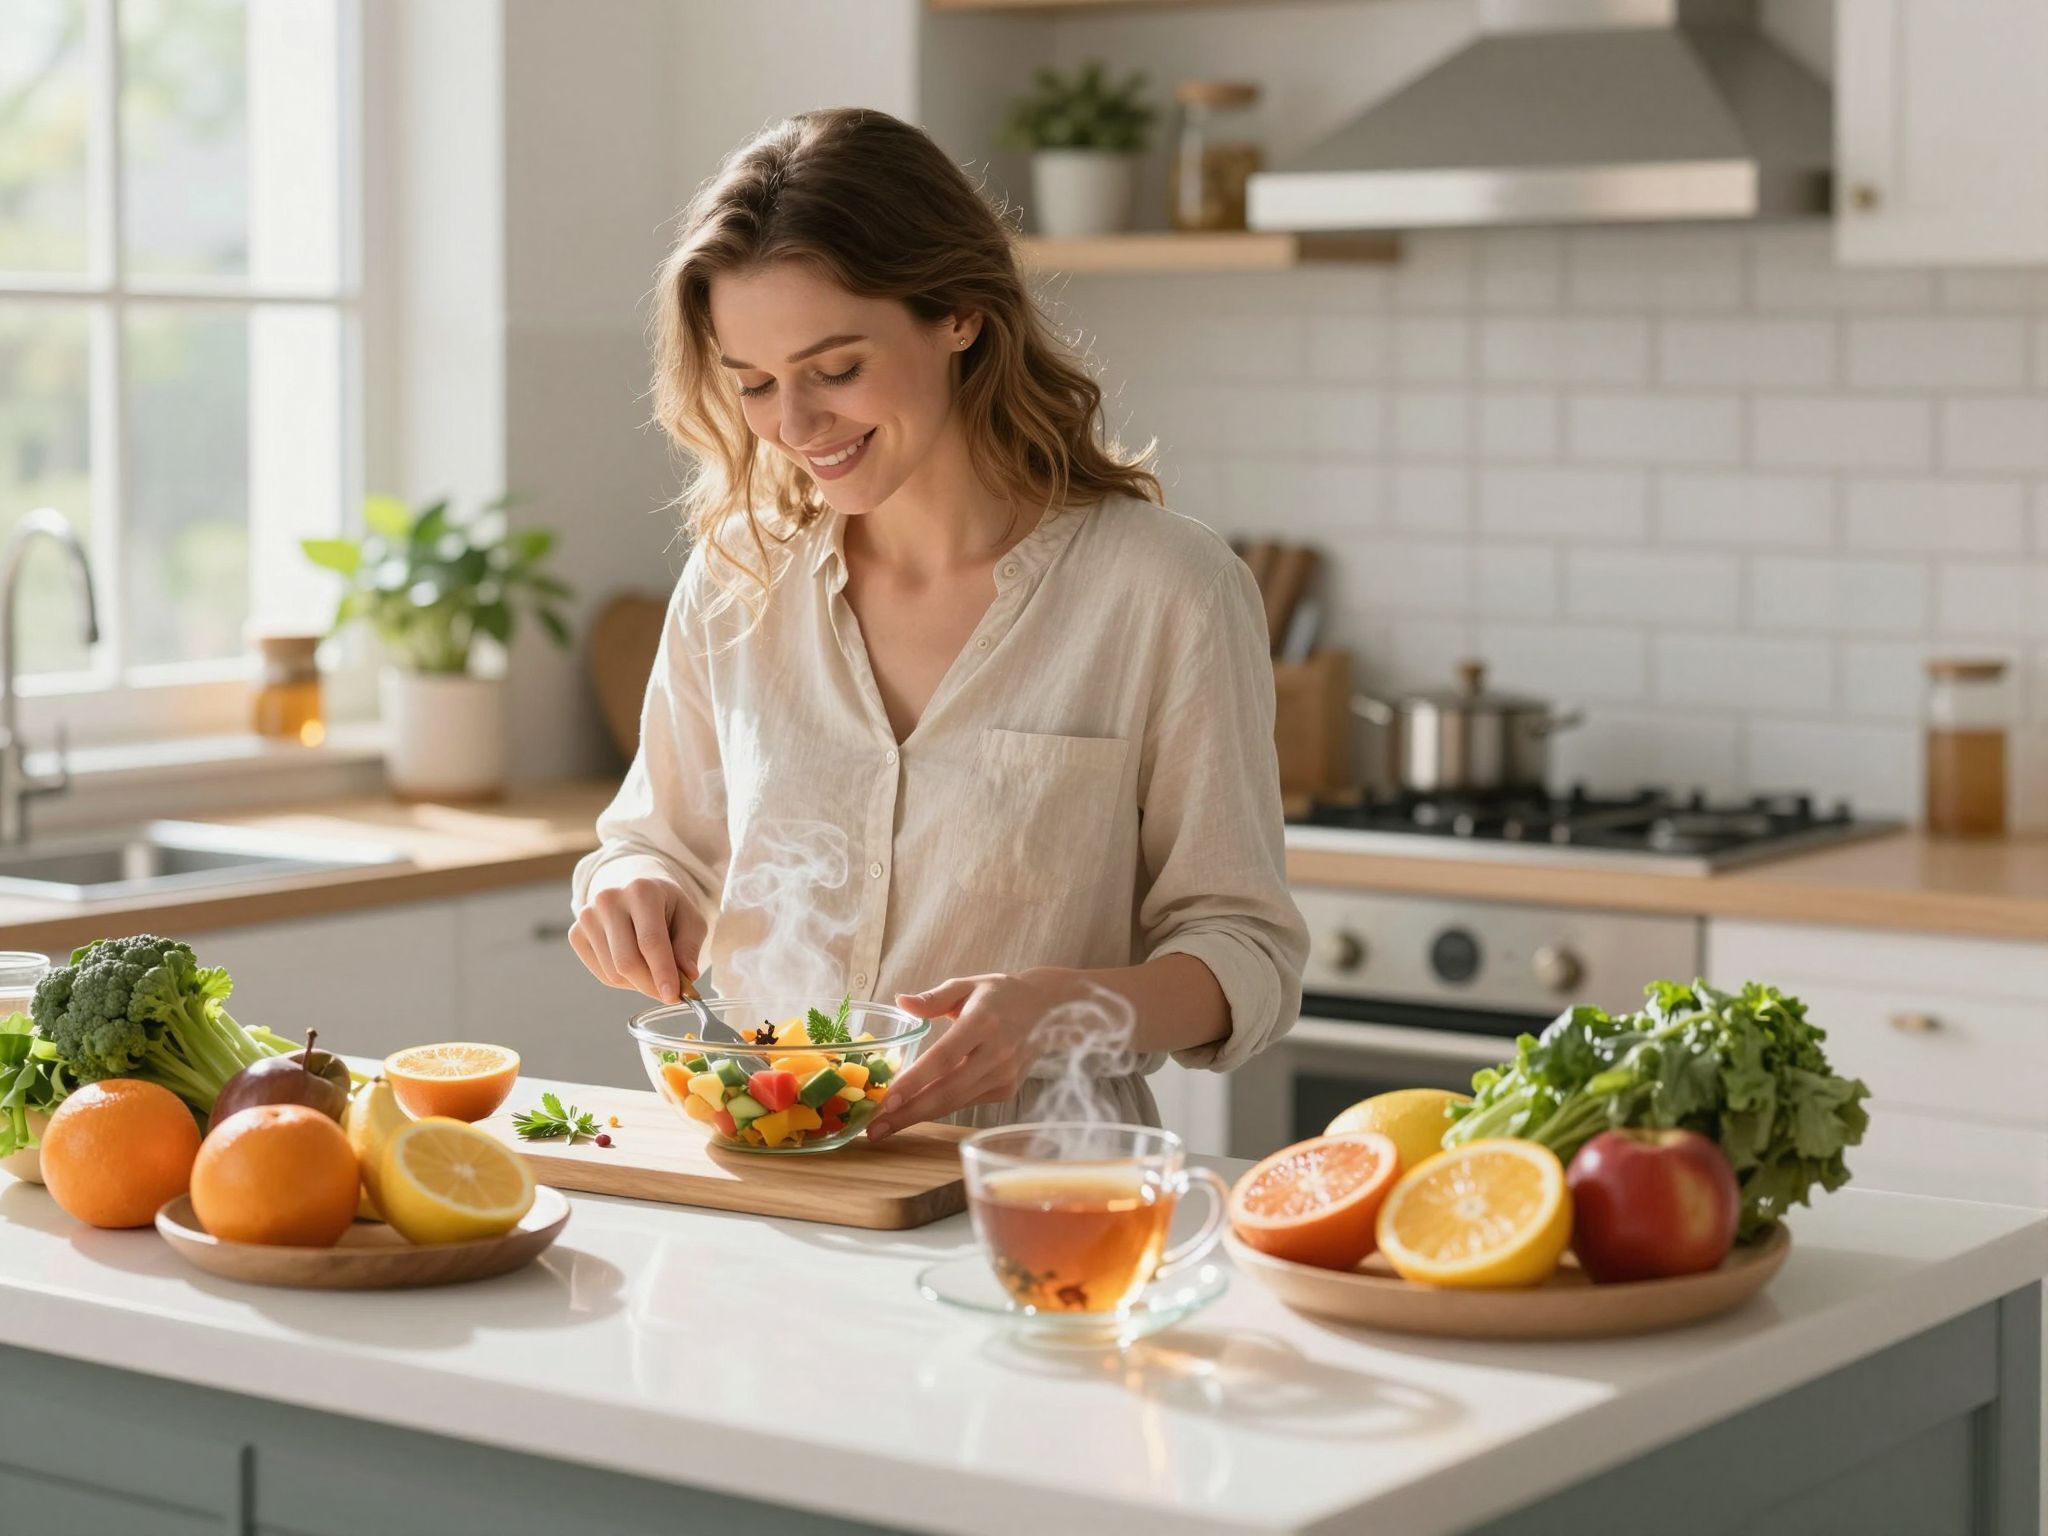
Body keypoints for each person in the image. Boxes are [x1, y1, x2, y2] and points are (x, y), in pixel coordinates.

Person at [569, 107, 1306, 1139]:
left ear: (958, 312)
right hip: (769, 1187)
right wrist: (629, 884)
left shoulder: (1162, 591)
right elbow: (657, 844)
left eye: (834, 369)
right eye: (753, 385)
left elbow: (1245, 952)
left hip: (1032, 1198)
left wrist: (1058, 1013)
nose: (793, 425)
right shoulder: (735, 580)